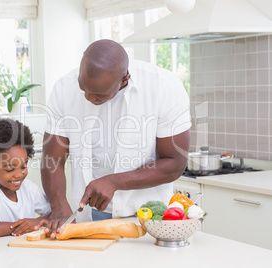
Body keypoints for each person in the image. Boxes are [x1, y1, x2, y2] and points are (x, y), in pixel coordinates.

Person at [39, 39, 191, 238]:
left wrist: (114, 181)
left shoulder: (164, 87)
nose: (88, 98)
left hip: (147, 221)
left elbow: (175, 163)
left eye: (98, 96)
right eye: (83, 88)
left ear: (124, 79)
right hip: (88, 219)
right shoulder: (63, 89)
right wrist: (59, 205)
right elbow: (52, 160)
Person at [0, 118, 51, 238]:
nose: (19, 174)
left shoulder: (29, 188)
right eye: (10, 169)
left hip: (15, 251)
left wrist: (36, 222)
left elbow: (52, 212)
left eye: (23, 166)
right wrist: (26, 226)